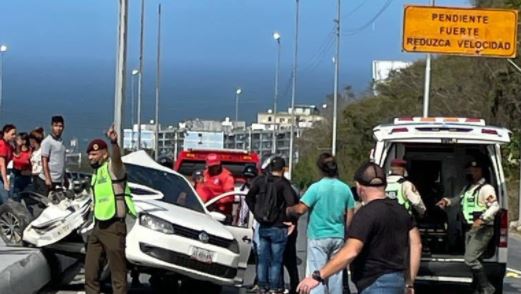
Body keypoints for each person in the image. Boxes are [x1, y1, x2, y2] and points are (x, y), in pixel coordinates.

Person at [297, 162, 422, 294]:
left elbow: (351, 251)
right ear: (384, 185)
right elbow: (416, 244)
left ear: (359, 187)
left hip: (375, 283)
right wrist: (409, 282)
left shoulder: (365, 214)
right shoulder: (401, 211)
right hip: (397, 281)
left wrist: (318, 275)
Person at [287, 153, 355, 294]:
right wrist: (346, 234)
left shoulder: (316, 188)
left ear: (320, 169)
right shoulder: (345, 189)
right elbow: (350, 216)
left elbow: (301, 209)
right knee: (335, 274)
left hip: (318, 235)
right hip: (338, 236)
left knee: (317, 275)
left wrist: (288, 210)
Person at [84, 127, 137, 294]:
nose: (90, 157)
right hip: (98, 227)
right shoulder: (96, 174)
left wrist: (114, 143)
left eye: (94, 154)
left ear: (104, 154)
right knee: (90, 273)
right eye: (89, 155)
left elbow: (117, 160)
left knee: (118, 276)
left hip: (114, 227)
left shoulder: (113, 169)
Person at [436, 160, 498, 294]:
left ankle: (487, 286)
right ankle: (477, 287)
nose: (473, 172)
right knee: (477, 258)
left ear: (482, 171)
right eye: (471, 170)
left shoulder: (486, 188)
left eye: (476, 170)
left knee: (470, 258)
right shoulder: (469, 187)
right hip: (469, 228)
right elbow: (458, 199)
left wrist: (482, 219)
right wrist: (446, 201)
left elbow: (495, 206)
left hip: (482, 229)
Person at [246, 156, 297, 294]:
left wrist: (256, 213)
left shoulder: (261, 181)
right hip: (279, 226)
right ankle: (275, 287)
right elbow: (292, 202)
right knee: (276, 260)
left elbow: (248, 197)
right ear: (283, 169)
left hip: (263, 225)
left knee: (262, 258)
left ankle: (262, 286)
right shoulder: (283, 184)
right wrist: (290, 221)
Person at [37, 116, 67, 196]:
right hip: (47, 180)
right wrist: (47, 178)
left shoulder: (62, 142)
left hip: (58, 180)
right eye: (56, 126)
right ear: (52, 126)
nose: (58, 128)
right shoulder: (47, 141)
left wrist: (64, 178)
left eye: (60, 126)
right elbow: (44, 160)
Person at [0, 124, 16, 204]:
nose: (14, 136)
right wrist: (5, 182)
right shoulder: (2, 144)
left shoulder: (9, 145)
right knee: (4, 195)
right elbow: (2, 164)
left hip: (3, 173)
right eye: (12, 134)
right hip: (1, 172)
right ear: (5, 133)